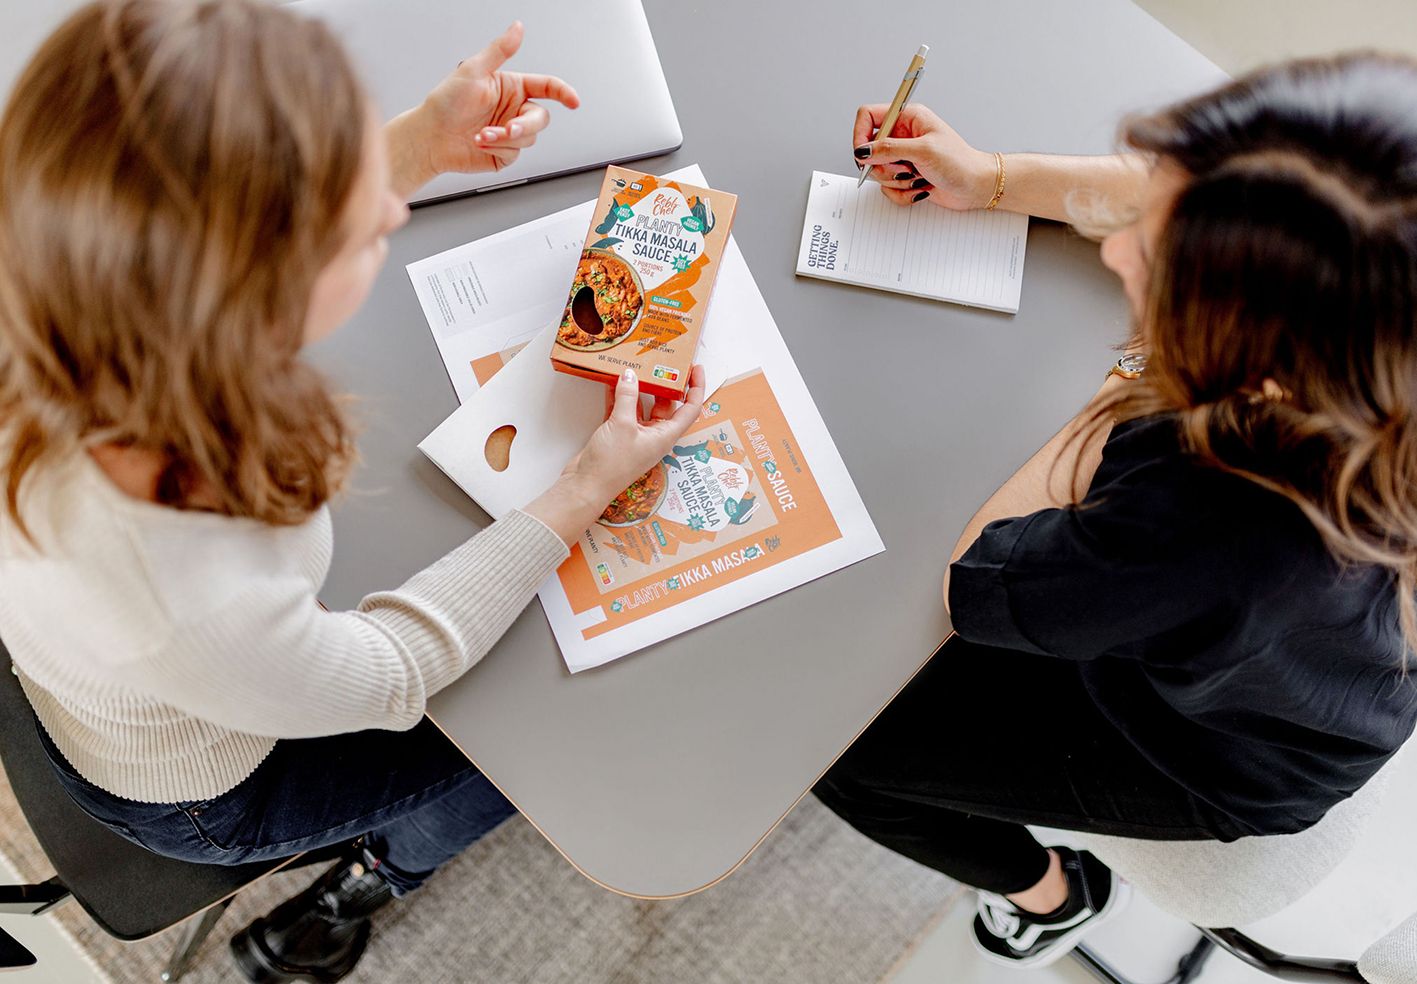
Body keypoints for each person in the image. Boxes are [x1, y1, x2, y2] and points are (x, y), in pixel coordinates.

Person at [0, 2, 706, 982]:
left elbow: (199, 183)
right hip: (206, 787)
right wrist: (584, 482)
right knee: (553, 703)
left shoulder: (62, 276)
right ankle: (387, 866)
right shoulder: (178, 579)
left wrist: (416, 142)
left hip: (132, 676)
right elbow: (390, 674)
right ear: (248, 288)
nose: (387, 210)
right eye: (353, 220)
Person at [815, 54, 1417, 967]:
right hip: (1326, 670)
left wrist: (1127, 376)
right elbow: (1155, 185)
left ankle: (1049, 895)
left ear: (1247, 351)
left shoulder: (1203, 519)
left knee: (840, 748)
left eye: (1159, 253)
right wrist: (996, 179)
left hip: (1222, 758)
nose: (1116, 246)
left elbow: (977, 576)